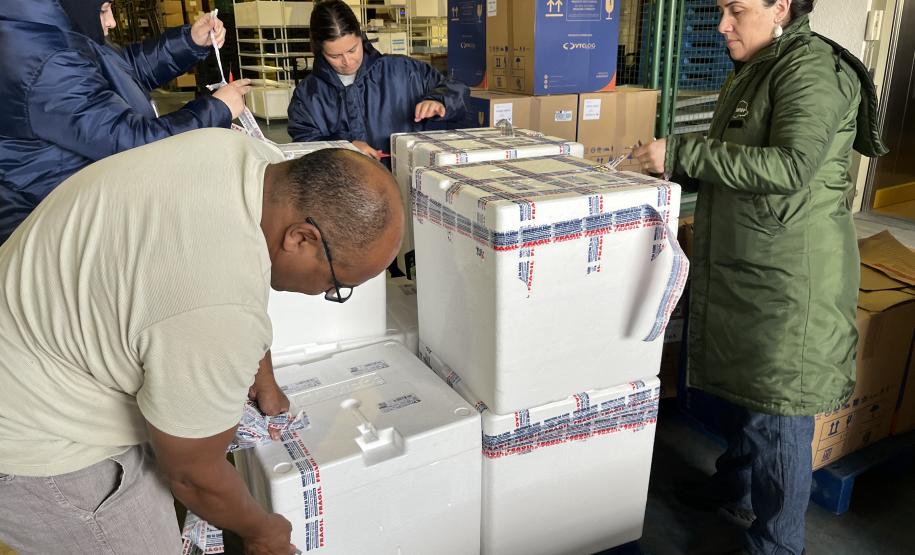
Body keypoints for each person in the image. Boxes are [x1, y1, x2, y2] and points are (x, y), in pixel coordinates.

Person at [0, 128, 404, 555]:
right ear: (301, 238)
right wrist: (263, 532)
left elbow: (226, 274)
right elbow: (193, 475)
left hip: (36, 327)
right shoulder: (214, 304)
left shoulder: (244, 156)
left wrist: (259, 370)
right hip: (36, 436)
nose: (326, 295)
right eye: (336, 284)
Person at [634, 1, 887, 553]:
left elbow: (793, 167)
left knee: (779, 411)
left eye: (736, 10)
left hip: (791, 275)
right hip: (755, 262)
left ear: (780, 7)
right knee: (750, 388)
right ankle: (735, 484)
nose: (722, 24)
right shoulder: (762, 64)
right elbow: (743, 156)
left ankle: (778, 543)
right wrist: (673, 163)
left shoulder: (811, 70)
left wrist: (682, 151)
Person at [0, 0, 253, 244]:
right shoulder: (46, 61)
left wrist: (189, 40)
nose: (111, 22)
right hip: (51, 227)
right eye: (103, 10)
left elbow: (122, 70)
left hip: (77, 203)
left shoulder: (56, 27)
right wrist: (215, 109)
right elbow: (132, 143)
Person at [287, 0, 468, 161]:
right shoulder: (308, 95)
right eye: (335, 55)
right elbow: (304, 143)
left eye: (352, 50)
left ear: (361, 37)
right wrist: (344, 147)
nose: (347, 62)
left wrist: (439, 100)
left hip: (408, 179)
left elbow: (456, 89)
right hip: (347, 190)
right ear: (319, 50)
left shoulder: (403, 71)